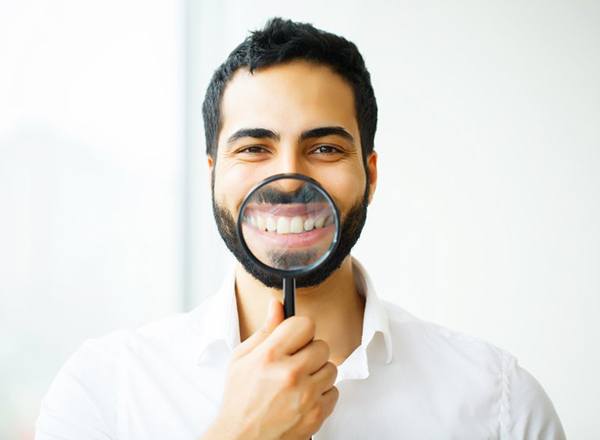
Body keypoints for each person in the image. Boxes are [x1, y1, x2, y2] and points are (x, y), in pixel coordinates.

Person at [36, 17, 566, 440]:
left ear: (371, 174)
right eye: (253, 148)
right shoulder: (104, 392)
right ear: (212, 174)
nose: (288, 181)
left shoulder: (501, 405)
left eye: (325, 148)